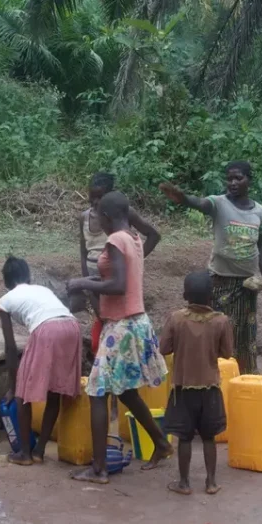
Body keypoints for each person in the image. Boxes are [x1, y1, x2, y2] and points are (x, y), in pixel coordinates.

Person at [66, 191, 171, 484]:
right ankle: (161, 444)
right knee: (125, 392)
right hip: (136, 321)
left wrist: (82, 282)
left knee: (98, 392)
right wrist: (129, 215)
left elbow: (119, 285)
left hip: (121, 327)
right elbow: (152, 237)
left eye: (99, 214)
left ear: (108, 217)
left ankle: (98, 469)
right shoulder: (135, 239)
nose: (96, 219)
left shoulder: (115, 240)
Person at [159, 161, 262, 374]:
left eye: (239, 178)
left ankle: (242, 376)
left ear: (250, 180)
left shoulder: (259, 211)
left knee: (245, 334)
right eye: (229, 178)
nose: (233, 183)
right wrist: (183, 199)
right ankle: (215, 374)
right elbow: (199, 203)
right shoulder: (219, 203)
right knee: (220, 330)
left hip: (248, 284)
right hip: (221, 281)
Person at [0, 256, 83, 466]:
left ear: (6, 282)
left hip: (46, 330)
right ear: (28, 276)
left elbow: (10, 347)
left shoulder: (5, 300)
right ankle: (39, 450)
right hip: (72, 326)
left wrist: (12, 385)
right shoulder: (43, 290)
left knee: (22, 395)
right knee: (55, 390)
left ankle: (25, 453)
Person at [158, 270, 234, 496]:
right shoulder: (221, 321)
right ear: (211, 297)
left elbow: (164, 349)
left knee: (184, 437)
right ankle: (211, 482)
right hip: (210, 389)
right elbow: (228, 352)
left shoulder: (176, 319)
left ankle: (184, 483)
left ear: (184, 295)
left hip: (183, 390)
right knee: (209, 437)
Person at [79, 172, 161, 357]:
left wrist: (133, 261)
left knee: (116, 322)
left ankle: (112, 356)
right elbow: (83, 251)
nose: (95, 204)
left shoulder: (120, 223)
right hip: (96, 279)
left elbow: (153, 235)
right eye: (92, 200)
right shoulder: (85, 218)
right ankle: (105, 354)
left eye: (99, 199)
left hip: (115, 280)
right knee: (103, 320)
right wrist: (87, 281)